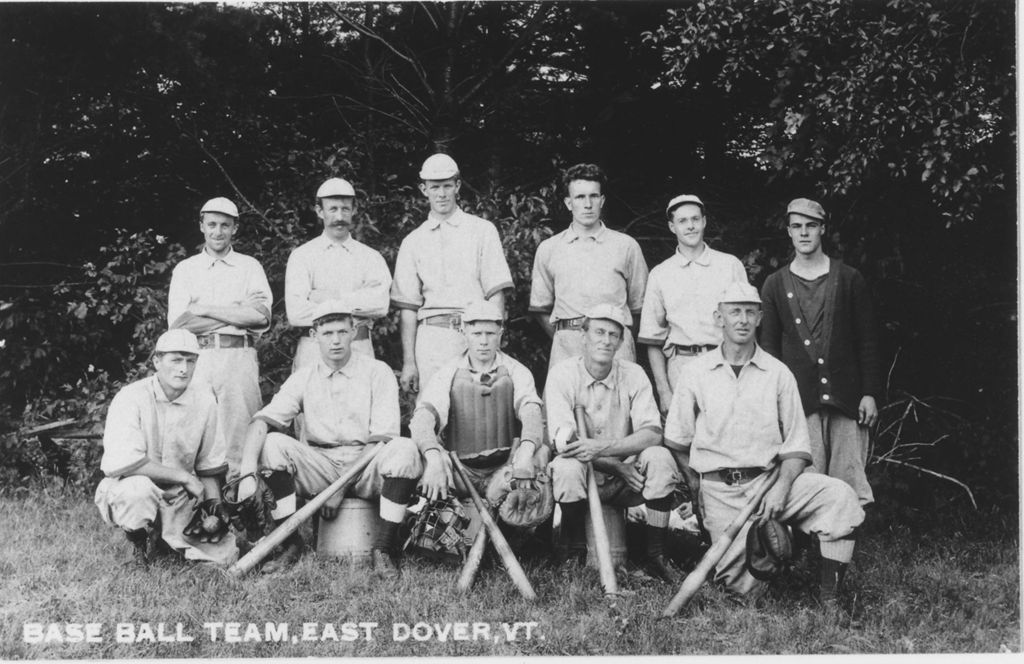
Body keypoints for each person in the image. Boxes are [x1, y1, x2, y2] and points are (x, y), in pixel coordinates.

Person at [664, 282, 864, 608]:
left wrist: (782, 488)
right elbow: (677, 440)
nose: (742, 319)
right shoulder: (695, 372)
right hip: (721, 492)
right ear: (719, 318)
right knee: (742, 595)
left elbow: (798, 447)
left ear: (759, 318)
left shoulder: (778, 373)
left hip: (770, 484)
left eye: (749, 312)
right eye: (734, 312)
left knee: (839, 496)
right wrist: (697, 488)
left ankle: (830, 599)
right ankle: (764, 554)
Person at [235, 300, 422, 576]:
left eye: (342, 332)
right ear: (314, 336)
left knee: (404, 449)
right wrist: (247, 474)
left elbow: (381, 440)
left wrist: (338, 489)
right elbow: (262, 421)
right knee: (273, 444)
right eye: (327, 334)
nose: (336, 341)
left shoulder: (377, 371)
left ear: (353, 331)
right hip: (321, 464)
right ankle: (291, 544)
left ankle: (383, 548)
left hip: (367, 464)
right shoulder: (304, 376)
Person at [544, 305, 681, 583]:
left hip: (626, 484)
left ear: (621, 342)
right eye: (598, 332)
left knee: (660, 458)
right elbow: (564, 442)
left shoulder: (634, 374)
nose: (605, 340)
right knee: (566, 468)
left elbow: (652, 433)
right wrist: (616, 466)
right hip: (586, 478)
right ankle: (572, 549)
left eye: (613, 334)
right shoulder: (562, 374)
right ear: (583, 335)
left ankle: (656, 554)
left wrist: (605, 451)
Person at [759, 198, 882, 506]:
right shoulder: (774, 285)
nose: (804, 234)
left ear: (822, 229)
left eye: (811, 226)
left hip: (846, 396)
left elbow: (867, 341)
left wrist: (869, 392)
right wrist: (773, 400)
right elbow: (769, 350)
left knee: (848, 480)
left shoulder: (850, 279)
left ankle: (841, 551)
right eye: (797, 227)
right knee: (804, 480)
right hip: (799, 401)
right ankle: (806, 553)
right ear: (788, 231)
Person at [94, 329, 237, 566]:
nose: (183, 368)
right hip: (132, 486)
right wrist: (184, 477)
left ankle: (165, 541)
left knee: (224, 556)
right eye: (176, 360)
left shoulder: (205, 401)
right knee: (136, 492)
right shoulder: (130, 397)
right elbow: (126, 462)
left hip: (180, 495)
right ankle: (138, 545)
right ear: (157, 361)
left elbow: (209, 465)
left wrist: (214, 505)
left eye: (190, 361)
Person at [391, 154, 514, 396]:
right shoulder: (412, 241)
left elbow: (496, 296)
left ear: (457, 186)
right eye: (434, 187)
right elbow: (408, 309)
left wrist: (491, 343)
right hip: (431, 339)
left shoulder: (482, 231)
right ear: (423, 189)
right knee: (432, 417)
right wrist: (409, 362)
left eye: (447, 185)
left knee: (477, 414)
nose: (441, 194)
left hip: (474, 334)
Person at [412, 300, 549, 518]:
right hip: (460, 471)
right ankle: (434, 534)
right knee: (424, 458)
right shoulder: (447, 373)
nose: (483, 341)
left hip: (503, 468)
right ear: (463, 331)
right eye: (477, 334)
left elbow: (532, 412)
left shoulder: (517, 371)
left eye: (490, 334)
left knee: (539, 453)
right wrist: (434, 457)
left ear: (501, 333)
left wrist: (525, 450)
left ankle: (521, 532)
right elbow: (423, 418)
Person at [167, 196, 272, 476]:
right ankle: (200, 507)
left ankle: (243, 502)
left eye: (225, 225)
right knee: (196, 431)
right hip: (198, 359)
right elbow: (179, 325)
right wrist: (237, 312)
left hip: (239, 358)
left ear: (235, 228)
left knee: (240, 436)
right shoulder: (185, 270)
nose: (218, 231)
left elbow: (260, 316)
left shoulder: (250, 267)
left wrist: (204, 309)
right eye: (211, 224)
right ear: (201, 226)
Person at [638, 194, 749, 415]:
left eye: (695, 219)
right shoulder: (660, 274)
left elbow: (747, 325)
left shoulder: (729, 265)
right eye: (682, 221)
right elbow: (653, 338)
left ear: (704, 221)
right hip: (681, 366)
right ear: (672, 227)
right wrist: (664, 391)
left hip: (724, 363)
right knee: (684, 441)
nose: (690, 226)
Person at [530, 163, 648, 370]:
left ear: (602, 200)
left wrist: (617, 336)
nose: (587, 204)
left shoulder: (626, 246)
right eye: (580, 197)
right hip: (567, 345)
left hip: (615, 345)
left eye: (593, 196)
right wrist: (565, 336)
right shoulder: (549, 248)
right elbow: (540, 307)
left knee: (618, 400)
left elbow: (639, 307)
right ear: (568, 203)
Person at [285, 177, 391, 368]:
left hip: (360, 349)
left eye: (345, 209)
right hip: (313, 352)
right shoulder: (302, 256)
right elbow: (296, 313)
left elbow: (380, 305)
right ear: (319, 211)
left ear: (354, 210)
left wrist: (327, 298)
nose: (339, 216)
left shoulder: (370, 257)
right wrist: (357, 301)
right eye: (332, 209)